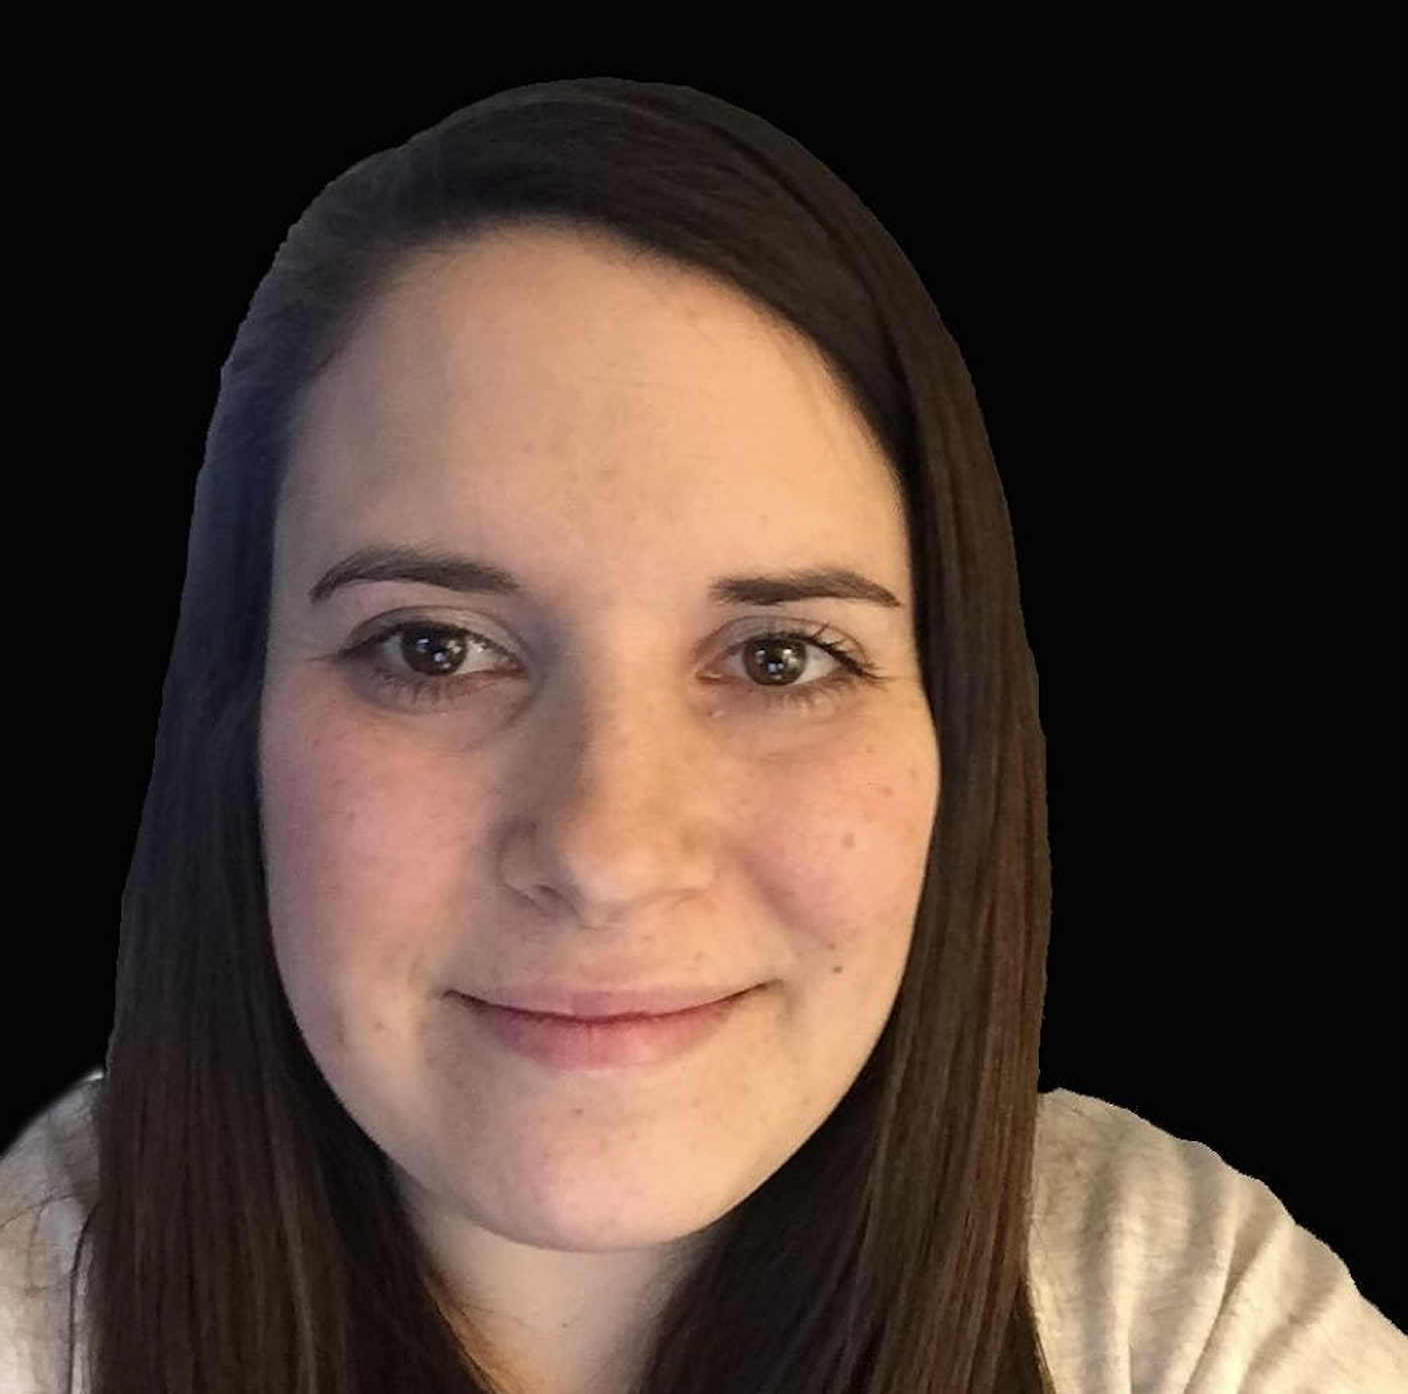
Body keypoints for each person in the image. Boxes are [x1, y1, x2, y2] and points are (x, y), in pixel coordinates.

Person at [1, 76, 1403, 1394]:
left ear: (960, 734)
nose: (608, 851)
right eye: (433, 648)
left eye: (781, 658)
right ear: (230, 730)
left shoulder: (1176, 1321)